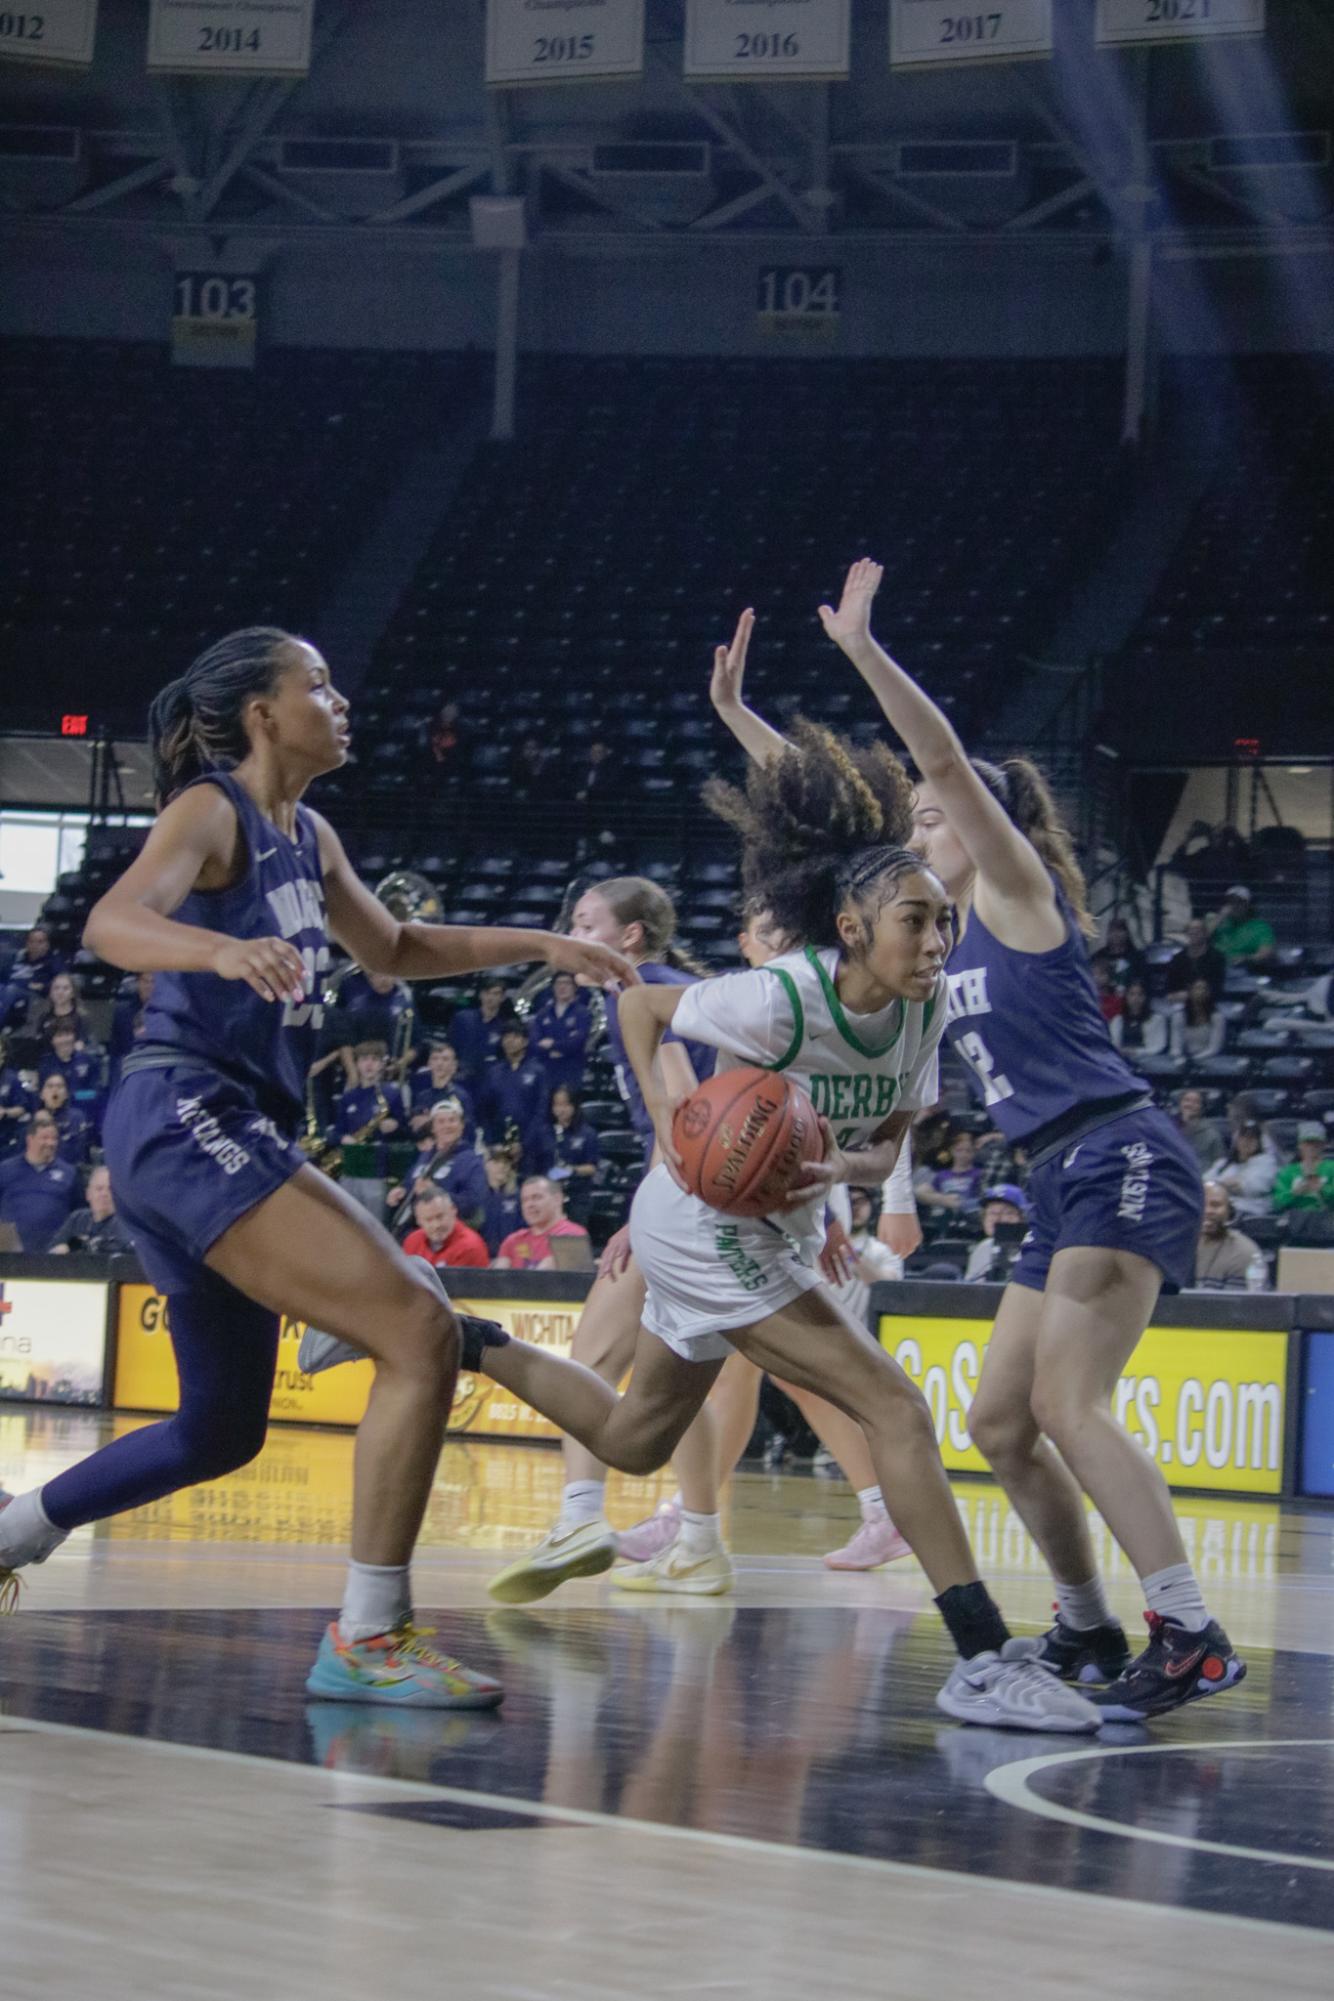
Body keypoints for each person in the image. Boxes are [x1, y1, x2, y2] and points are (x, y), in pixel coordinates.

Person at [0, 624, 635, 1706]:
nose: (339, 703)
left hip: (218, 1127)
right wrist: (217, 948)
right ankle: (369, 1637)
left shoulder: (313, 834)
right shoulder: (211, 810)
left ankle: (14, 1531)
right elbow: (111, 921)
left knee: (222, 1428)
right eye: (319, 686)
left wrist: (541, 944)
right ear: (262, 712)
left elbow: (394, 949)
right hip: (182, 1110)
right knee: (418, 1329)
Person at [719, 561, 1243, 1722]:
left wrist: (860, 651)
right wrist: (743, 724)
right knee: (997, 1422)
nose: (911, 828)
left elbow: (945, 765)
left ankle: (1189, 1630)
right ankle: (1087, 1627)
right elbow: (833, 843)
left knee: (1067, 1403)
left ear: (974, 826)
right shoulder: (929, 939)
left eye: (925, 819)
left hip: (1119, 1148)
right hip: (1055, 1175)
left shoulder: (1015, 895)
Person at [331, 1040, 407, 1221]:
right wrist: (343, 1138)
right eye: (364, 1059)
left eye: (374, 1059)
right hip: (350, 1166)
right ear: (357, 1064)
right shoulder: (348, 1097)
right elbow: (335, 1132)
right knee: (346, 1222)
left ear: (382, 1064)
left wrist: (395, 1126)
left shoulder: (391, 1094)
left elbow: (406, 1130)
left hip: (376, 1168)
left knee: (373, 1223)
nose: (369, 1064)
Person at [387, 1097, 488, 1233]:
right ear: (433, 1128)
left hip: (447, 1233)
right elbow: (410, 1183)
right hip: (414, 1231)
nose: (447, 1126)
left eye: (452, 1120)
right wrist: (401, 1191)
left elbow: (473, 1203)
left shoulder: (472, 1161)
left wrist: (437, 1194)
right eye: (441, 1122)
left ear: (461, 1126)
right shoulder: (426, 1156)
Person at [0, 1111, 80, 1250]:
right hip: (10, 1256)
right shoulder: (5, 1169)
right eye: (44, 1138)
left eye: (54, 1138)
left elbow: (78, 1212)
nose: (50, 1143)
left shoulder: (69, 1173)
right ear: (30, 1139)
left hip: (53, 1256)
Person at [478, 1020, 549, 1163]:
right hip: (498, 1145)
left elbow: (541, 1111)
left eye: (515, 1037)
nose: (510, 1041)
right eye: (506, 1037)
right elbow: (484, 1110)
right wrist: (491, 1142)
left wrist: (524, 1144)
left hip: (530, 1147)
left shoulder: (537, 1071)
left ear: (525, 1041)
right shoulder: (493, 1072)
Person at [529, 1085, 601, 1224]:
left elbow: (592, 1167)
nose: (560, 1110)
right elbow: (534, 1166)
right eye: (557, 1105)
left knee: (571, 1243)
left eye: (565, 1104)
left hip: (577, 1197)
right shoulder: (543, 1133)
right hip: (548, 1196)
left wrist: (570, 1170)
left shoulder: (587, 1133)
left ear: (574, 1106)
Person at [492, 1175, 589, 1272]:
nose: (530, 1205)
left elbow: (542, 1279)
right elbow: (496, 1279)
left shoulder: (572, 1236)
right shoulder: (513, 1240)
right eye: (524, 1200)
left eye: (537, 1197)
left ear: (557, 1199)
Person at [528, 972, 593, 1097]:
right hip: (546, 1071)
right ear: (553, 987)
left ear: (575, 987)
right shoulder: (543, 1014)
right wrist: (561, 1047)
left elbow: (577, 1042)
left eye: (567, 983)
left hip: (571, 1071)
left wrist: (552, 1044)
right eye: (559, 983)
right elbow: (535, 1042)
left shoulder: (582, 1013)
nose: (562, 987)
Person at [1194, 1182, 1266, 1290]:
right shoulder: (1176, 1246)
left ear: (1230, 1211)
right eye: (1201, 1204)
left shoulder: (1244, 1252)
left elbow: (1235, 1304)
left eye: (1215, 1205)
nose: (1207, 1211)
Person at [49, 1164, 133, 1256]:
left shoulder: (125, 1222)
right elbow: (53, 1250)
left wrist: (75, 1247)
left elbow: (122, 1250)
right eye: (99, 1189)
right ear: (88, 1194)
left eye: (110, 1189)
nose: (104, 1194)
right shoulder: (77, 1218)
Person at [400, 1185, 490, 1270]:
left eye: (440, 1216)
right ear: (418, 1221)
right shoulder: (412, 1242)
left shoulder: (470, 1247)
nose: (436, 1225)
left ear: (453, 1210)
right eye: (429, 1220)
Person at [406, 1039, 475, 1142]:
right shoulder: (422, 1096)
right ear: (429, 1064)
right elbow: (414, 1128)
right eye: (435, 1059)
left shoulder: (461, 1096)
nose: (439, 1063)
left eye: (445, 1059)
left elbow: (468, 1131)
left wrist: (430, 1121)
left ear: (454, 1066)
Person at [1208, 1121, 1277, 1220]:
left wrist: (1223, 1185)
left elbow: (1255, 1187)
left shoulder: (1267, 1163)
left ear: (1259, 1142)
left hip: (1251, 1212)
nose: (1247, 1142)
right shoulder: (1224, 1164)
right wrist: (1222, 1185)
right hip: (1222, 1209)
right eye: (1243, 1137)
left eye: (1252, 1139)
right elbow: (1206, 1182)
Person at [963, 1184, 1032, 1283]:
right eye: (992, 1213)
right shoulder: (983, 1247)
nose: (998, 1219)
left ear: (1023, 1218)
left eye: (1008, 1212)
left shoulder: (1033, 1247)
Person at [0, 925, 62, 1032]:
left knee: (11, 989)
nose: (34, 945)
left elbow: (62, 982)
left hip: (31, 996)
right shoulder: (16, 958)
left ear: (47, 945)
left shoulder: (53, 962)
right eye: (31, 941)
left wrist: (43, 986)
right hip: (7, 992)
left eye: (40, 942)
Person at [449, 976, 510, 1082]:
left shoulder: (504, 1026)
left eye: (495, 993)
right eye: (487, 993)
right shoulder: (463, 1018)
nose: (490, 997)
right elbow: (450, 1046)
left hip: (489, 1081)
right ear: (480, 995)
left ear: (503, 997)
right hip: (461, 1078)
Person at [915, 1125, 983, 1220]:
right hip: (944, 1212)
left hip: (968, 1214)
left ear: (974, 1153)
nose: (963, 1154)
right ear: (952, 1151)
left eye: (968, 1151)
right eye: (959, 1150)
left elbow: (982, 1197)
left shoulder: (979, 1173)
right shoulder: (942, 1174)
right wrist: (944, 1200)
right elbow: (922, 1192)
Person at [39, 1021, 104, 1116]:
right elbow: (42, 1094)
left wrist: (72, 1096)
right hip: (54, 1116)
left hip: (85, 1112)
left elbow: (96, 1093)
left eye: (68, 1034)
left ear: (74, 1037)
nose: (65, 1040)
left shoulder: (89, 1061)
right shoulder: (46, 1065)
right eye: (59, 1036)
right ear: (52, 1041)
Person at [1272, 1122, 1334, 1214]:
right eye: (1308, 1143)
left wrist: (1323, 1189)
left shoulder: (1331, 1167)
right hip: (1296, 1221)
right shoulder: (1287, 1172)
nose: (1312, 1147)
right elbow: (1276, 1203)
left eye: (1316, 1143)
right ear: (1300, 1145)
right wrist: (1293, 1193)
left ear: (1323, 1145)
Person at [1208, 886, 1275, 970]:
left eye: (1239, 902)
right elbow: (1198, 939)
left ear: (1247, 905)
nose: (1234, 906)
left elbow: (1266, 953)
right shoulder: (1214, 921)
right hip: (1213, 967)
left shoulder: (1260, 927)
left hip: (1242, 970)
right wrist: (1220, 917)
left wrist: (1246, 958)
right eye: (1231, 902)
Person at [35, 1072, 92, 1168]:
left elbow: (75, 1153)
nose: (55, 1089)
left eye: (59, 1086)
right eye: (50, 1086)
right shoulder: (35, 1119)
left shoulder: (76, 1117)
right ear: (42, 1094)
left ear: (66, 1094)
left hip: (67, 1171)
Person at [1164, 918, 1226, 1005]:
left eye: (1198, 930)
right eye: (1190, 930)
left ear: (1205, 934)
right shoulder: (1177, 959)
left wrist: (1191, 995)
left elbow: (1216, 987)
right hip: (1181, 1004)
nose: (1194, 933)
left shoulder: (1217, 957)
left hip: (1208, 1003)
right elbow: (1170, 990)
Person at [479, 1146, 522, 1255]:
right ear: (486, 1165)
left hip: (512, 1259)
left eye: (506, 1162)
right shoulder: (477, 1196)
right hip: (483, 1259)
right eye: (496, 1162)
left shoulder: (518, 1197)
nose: (502, 1166)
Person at [1170, 977, 1225, 1061]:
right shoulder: (1179, 1016)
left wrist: (1194, 1059)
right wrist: (1179, 1057)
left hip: (1209, 1059)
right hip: (1185, 1058)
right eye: (1198, 988)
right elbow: (1176, 1046)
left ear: (1209, 993)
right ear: (1190, 991)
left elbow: (1214, 1049)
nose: (1201, 992)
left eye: (1205, 989)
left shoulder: (1217, 1017)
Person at [1173, 1088, 1225, 1177]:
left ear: (1201, 1107)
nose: (1190, 1105)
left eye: (1196, 1102)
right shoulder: (1168, 1128)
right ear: (1180, 1104)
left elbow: (1219, 1162)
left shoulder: (1211, 1133)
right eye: (1187, 1100)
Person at [1110, 978, 1168, 1056]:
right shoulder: (1118, 1020)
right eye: (1132, 994)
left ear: (1146, 997)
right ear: (1126, 996)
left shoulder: (1157, 1019)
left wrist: (1136, 1052)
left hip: (1148, 1059)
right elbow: (1113, 1044)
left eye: (1140, 995)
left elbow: (1158, 1046)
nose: (1136, 998)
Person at [1101, 917, 1146, 991]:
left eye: (1119, 930)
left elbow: (1143, 981)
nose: (1116, 934)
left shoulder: (1138, 957)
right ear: (1108, 934)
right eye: (1112, 931)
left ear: (1127, 933)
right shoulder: (1099, 956)